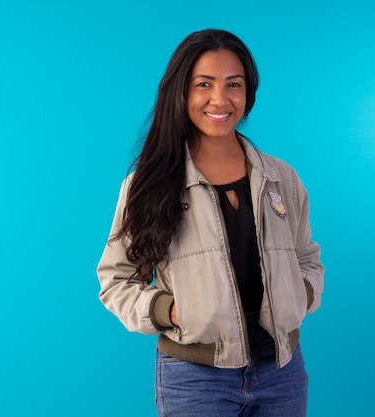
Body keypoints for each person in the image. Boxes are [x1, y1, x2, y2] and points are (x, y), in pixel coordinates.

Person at [97, 28, 324, 417]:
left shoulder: (281, 178)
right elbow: (116, 280)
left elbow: (308, 259)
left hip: (281, 369)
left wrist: (297, 296)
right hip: (195, 374)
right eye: (204, 84)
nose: (220, 99)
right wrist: (171, 311)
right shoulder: (149, 184)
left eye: (233, 84)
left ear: (248, 92)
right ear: (181, 91)